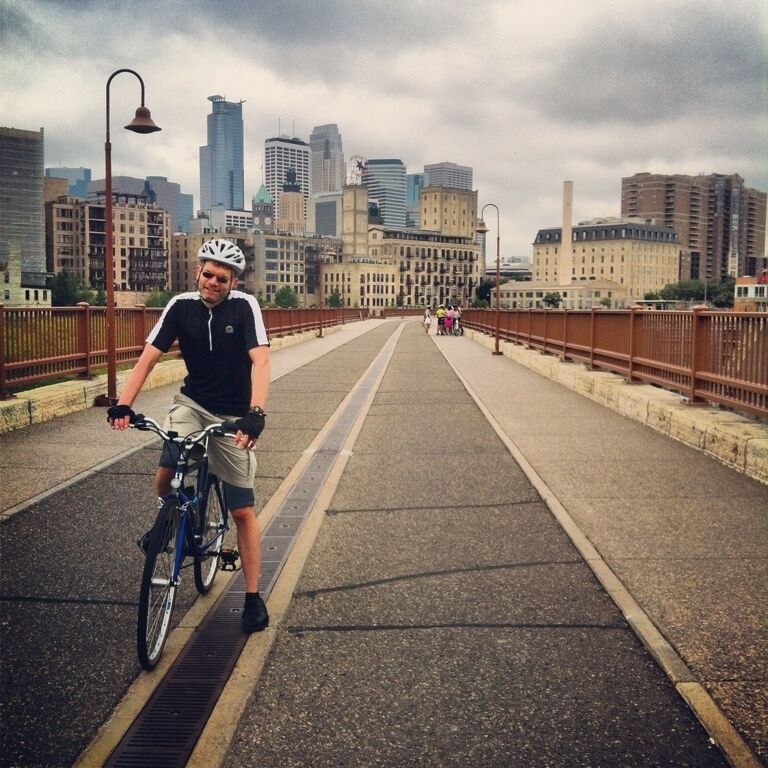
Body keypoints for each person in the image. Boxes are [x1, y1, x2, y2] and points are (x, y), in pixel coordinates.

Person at [107, 238, 271, 633]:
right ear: (198, 271)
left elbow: (261, 359)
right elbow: (148, 356)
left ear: (234, 282)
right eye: (209, 274)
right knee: (166, 471)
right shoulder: (180, 306)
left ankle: (252, 597)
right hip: (192, 404)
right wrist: (123, 403)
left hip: (233, 414)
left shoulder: (244, 307)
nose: (213, 282)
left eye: (223, 278)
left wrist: (256, 414)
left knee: (242, 510)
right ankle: (170, 519)